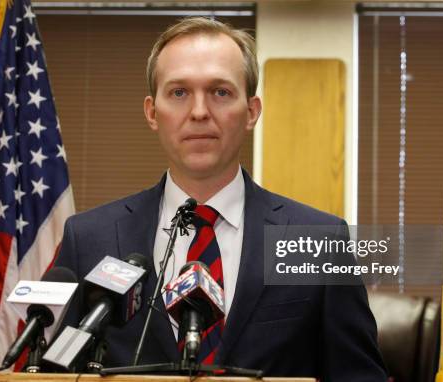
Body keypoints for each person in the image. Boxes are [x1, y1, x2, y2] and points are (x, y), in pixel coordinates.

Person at [55, 17, 387, 380]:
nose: (199, 112)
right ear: (153, 113)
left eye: (220, 92)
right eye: (179, 93)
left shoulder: (320, 240)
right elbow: (56, 371)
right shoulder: (88, 238)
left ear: (251, 111)